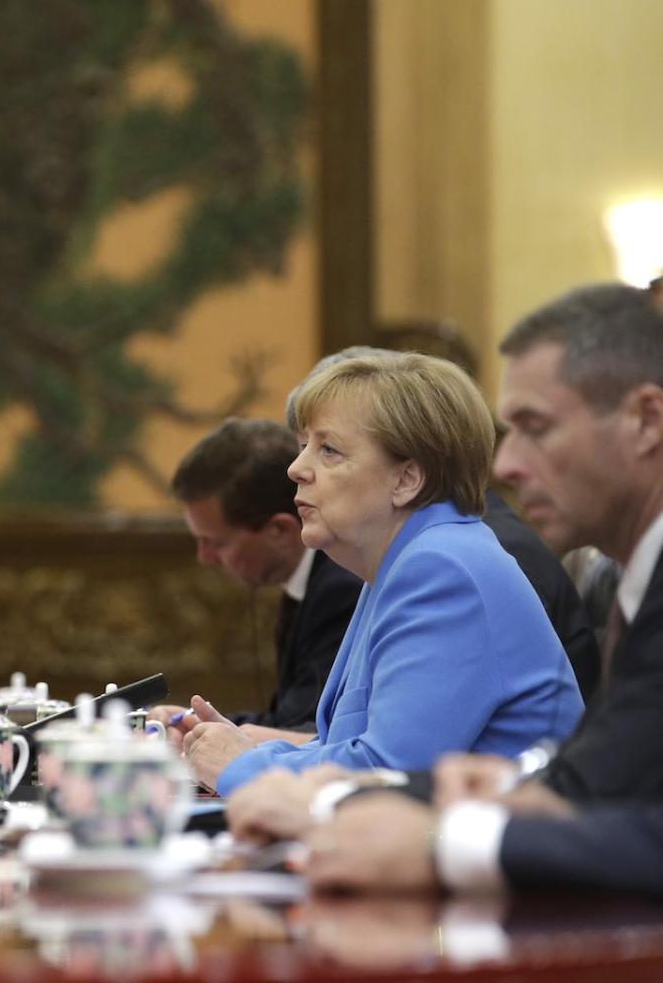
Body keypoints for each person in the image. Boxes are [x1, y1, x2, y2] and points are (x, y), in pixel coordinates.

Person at [284, 282, 663, 895]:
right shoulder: (640, 576)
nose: (507, 465)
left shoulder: (445, 564)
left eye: (534, 427)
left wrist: (444, 841)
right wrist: (509, 786)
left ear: (645, 420)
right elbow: (603, 776)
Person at [185, 352, 583, 795]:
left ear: (406, 479)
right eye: (303, 447)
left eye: (328, 450)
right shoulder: (404, 561)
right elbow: (355, 748)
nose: (296, 469)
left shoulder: (443, 569)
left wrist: (242, 766)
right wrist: (244, 750)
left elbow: (388, 771)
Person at [164, 418, 362, 735]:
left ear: (280, 530)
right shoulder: (310, 581)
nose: (205, 558)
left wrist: (197, 730)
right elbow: (288, 717)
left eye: (216, 542)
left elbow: (306, 729)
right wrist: (194, 722)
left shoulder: (341, 588)